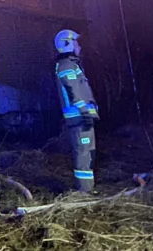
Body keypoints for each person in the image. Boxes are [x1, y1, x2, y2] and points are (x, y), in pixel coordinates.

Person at [54, 28, 99, 193]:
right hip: (79, 118)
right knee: (83, 154)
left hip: (82, 117)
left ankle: (88, 190)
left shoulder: (71, 65)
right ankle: (85, 193)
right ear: (67, 44)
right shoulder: (66, 65)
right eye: (76, 43)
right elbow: (73, 91)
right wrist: (85, 112)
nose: (79, 46)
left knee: (88, 154)